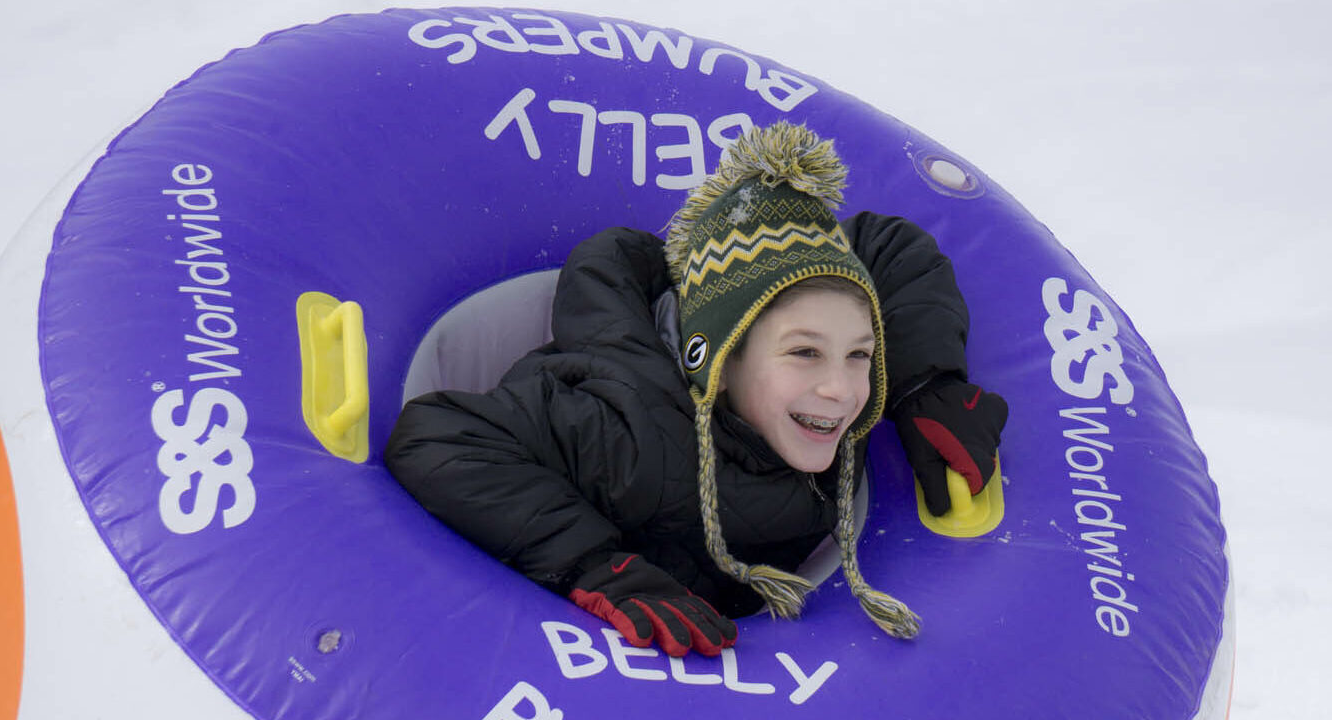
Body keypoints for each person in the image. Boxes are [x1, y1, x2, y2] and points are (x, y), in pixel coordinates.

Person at [385, 121, 1006, 657]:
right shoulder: (622, 430)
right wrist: (594, 565)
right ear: (719, 357)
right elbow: (438, 437)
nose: (842, 390)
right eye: (804, 352)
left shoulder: (818, 409)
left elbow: (886, 244)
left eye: (860, 355)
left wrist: (925, 384)